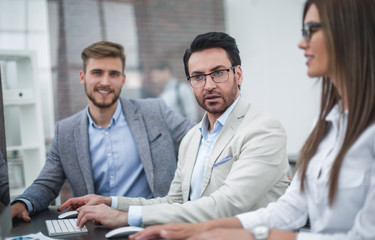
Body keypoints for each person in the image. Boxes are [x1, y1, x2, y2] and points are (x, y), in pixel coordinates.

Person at [130, 0, 375, 239]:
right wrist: (199, 230)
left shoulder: (264, 128)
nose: (301, 43)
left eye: (312, 30)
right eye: (198, 77)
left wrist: (244, 235)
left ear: (350, 31)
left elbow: (364, 235)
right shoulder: (326, 124)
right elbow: (290, 209)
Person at [60, 32, 290, 229]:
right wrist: (111, 202)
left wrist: (125, 217)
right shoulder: (192, 138)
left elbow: (225, 205)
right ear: (190, 84)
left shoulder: (264, 130)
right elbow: (173, 202)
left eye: (218, 73)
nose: (208, 85)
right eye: (198, 77)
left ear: (237, 74)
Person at [10, 41, 194, 222]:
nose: (105, 82)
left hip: (152, 222)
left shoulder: (155, 111)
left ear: (122, 79)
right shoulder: (65, 132)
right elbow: (47, 184)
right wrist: (22, 204)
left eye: (113, 74)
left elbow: (199, 138)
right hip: (95, 229)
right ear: (82, 77)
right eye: (97, 73)